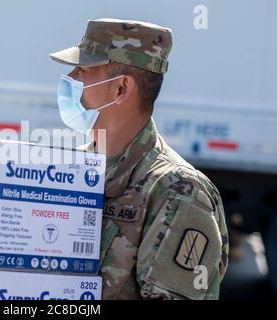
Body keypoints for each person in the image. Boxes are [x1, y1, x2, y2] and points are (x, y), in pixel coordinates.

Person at [50, 18, 229, 299]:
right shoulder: (72, 169)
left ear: (120, 89)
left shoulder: (178, 191)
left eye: (84, 70)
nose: (70, 78)